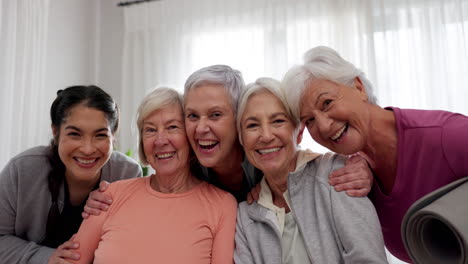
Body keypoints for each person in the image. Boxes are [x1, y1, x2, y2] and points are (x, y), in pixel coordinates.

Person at [83, 65, 373, 216]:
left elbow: (304, 160)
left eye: (215, 115)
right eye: (192, 116)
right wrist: (105, 198)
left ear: (238, 119)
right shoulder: (188, 168)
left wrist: (361, 166)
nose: (201, 128)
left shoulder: (268, 157)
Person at [282, 46, 468, 263]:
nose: (323, 126)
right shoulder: (355, 175)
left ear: (359, 87)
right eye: (309, 120)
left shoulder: (447, 136)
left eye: (327, 103)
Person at [70, 87, 237, 264]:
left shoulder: (222, 206)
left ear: (191, 135)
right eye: (150, 130)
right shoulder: (108, 197)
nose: (160, 140)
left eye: (172, 127)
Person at [234, 78, 388, 263]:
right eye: (252, 125)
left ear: (299, 132)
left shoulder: (338, 174)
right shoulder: (245, 215)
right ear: (241, 139)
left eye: (278, 121)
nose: (266, 136)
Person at [0, 85, 142, 264]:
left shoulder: (127, 173)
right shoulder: (21, 170)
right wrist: (47, 258)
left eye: (100, 135)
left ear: (113, 136)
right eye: (75, 134)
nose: (88, 149)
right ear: (56, 132)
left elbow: (131, 244)